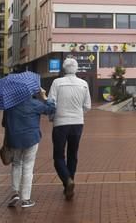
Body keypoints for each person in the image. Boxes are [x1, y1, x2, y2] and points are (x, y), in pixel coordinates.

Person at [3, 88, 55, 209]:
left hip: (14, 139)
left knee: (16, 164)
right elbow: (51, 109)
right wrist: (44, 96)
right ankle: (26, 199)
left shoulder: (9, 105)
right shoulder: (35, 103)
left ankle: (15, 192)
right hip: (31, 138)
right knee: (28, 166)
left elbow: (4, 123)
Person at [48, 58, 91, 201]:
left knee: (59, 156)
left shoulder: (57, 83)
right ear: (77, 69)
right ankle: (69, 182)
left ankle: (67, 181)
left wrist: (52, 117)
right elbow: (87, 106)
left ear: (64, 69)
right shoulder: (84, 84)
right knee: (73, 154)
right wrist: (78, 113)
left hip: (60, 123)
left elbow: (51, 103)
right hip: (78, 123)